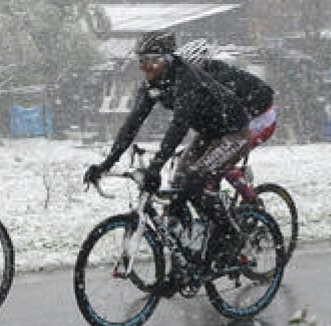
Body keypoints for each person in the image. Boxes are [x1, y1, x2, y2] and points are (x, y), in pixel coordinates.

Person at [83, 31, 253, 282]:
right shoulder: (152, 84)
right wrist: (106, 163)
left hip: (234, 133)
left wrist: (154, 167)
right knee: (178, 183)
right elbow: (132, 124)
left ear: (168, 58)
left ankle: (234, 238)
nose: (146, 67)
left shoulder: (186, 78)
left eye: (152, 60)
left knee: (195, 180)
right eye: (142, 61)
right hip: (209, 133)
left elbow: (179, 127)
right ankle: (187, 260)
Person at [176, 38, 277, 203]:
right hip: (236, 121)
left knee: (221, 162)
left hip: (261, 118)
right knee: (207, 161)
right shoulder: (203, 77)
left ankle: (251, 200)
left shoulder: (221, 80)